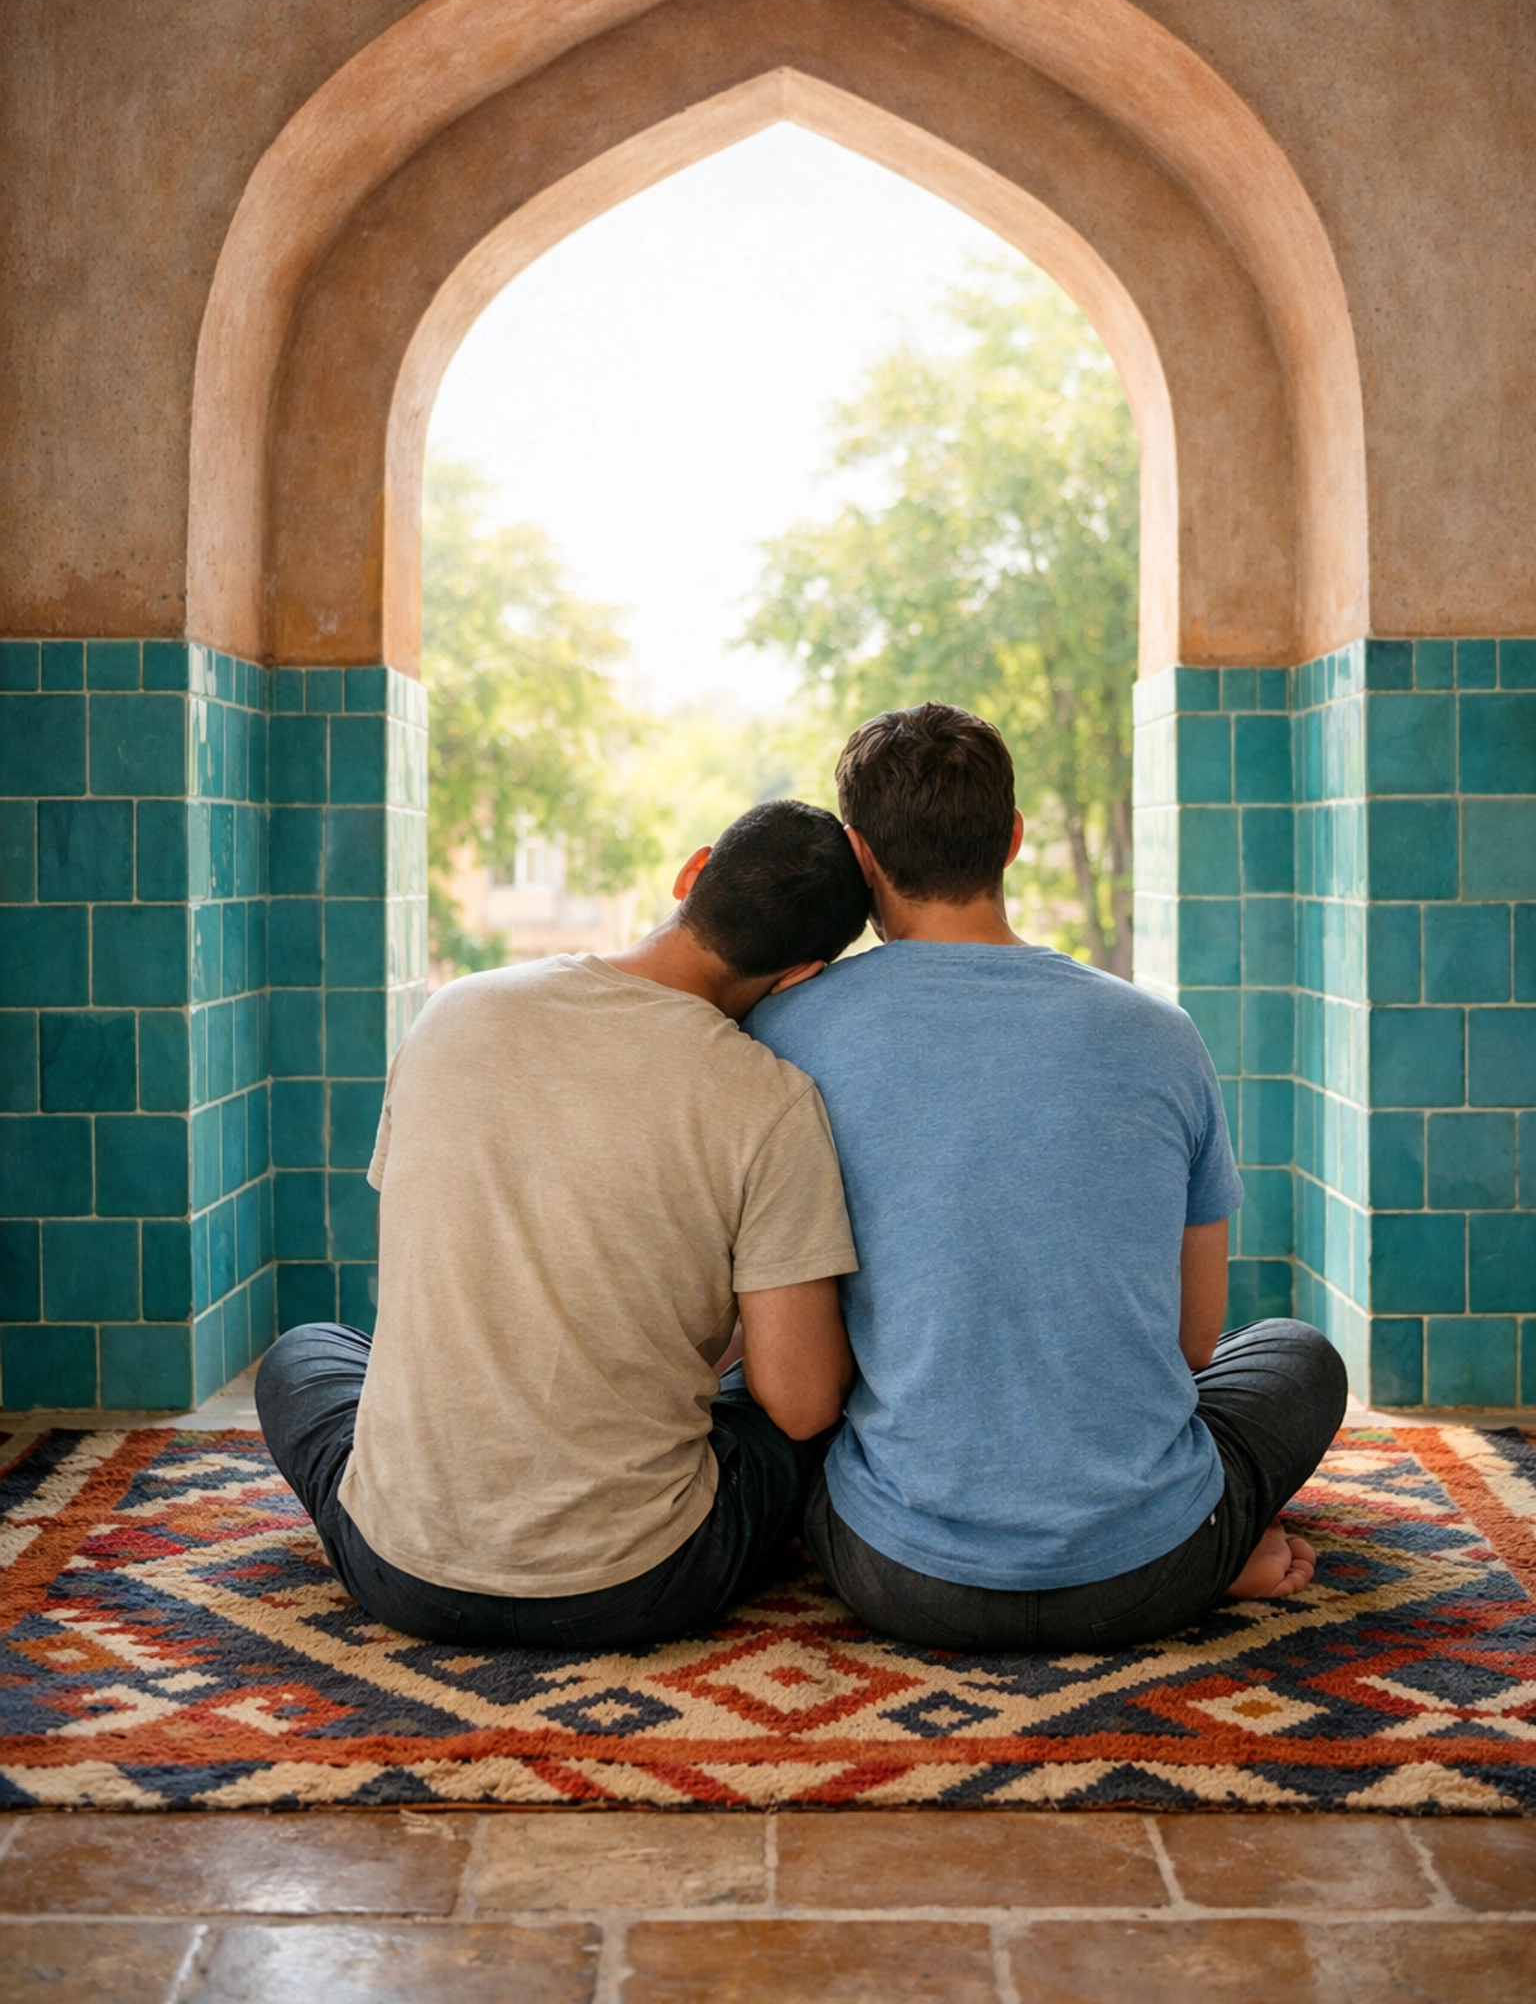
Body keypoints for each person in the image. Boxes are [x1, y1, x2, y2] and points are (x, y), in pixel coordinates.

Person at [747, 704, 1348, 1654]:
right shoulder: (1162, 1035)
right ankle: (1215, 1540)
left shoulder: (784, 1034)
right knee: (1296, 1356)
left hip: (897, 1577)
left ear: (859, 857)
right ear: (1014, 840)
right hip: (1150, 1573)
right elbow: (1194, 1344)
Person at [255, 799, 871, 1650]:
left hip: (398, 1571)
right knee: (795, 1399)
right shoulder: (770, 1100)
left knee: (304, 1354)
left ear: (691, 872)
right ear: (802, 974)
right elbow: (800, 1406)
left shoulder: (453, 1011)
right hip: (641, 1586)